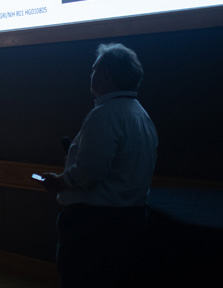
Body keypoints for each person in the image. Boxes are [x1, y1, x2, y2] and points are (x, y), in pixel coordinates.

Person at [41, 43, 158, 287]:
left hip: (93, 226)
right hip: (131, 221)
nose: (91, 75)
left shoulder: (104, 115)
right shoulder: (142, 115)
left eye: (94, 70)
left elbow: (89, 172)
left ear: (105, 74)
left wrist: (59, 182)